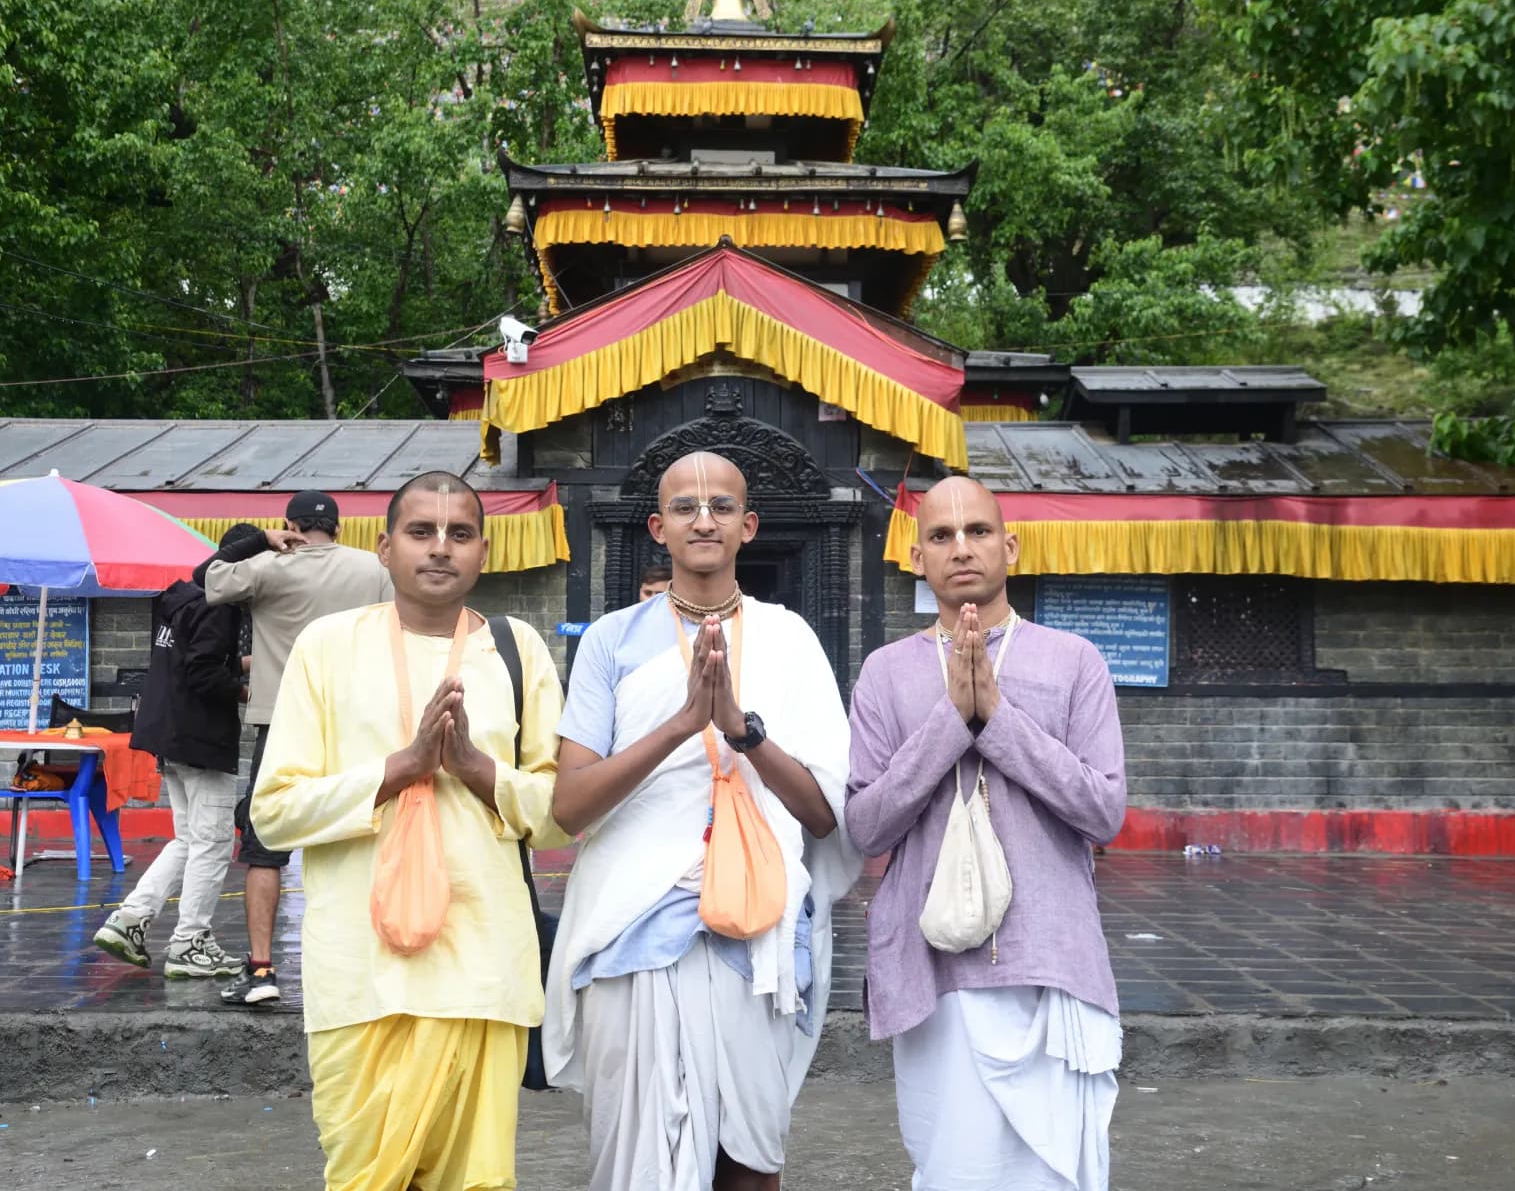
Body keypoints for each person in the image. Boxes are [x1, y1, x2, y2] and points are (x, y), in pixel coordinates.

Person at [544, 451, 861, 1191]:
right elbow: (570, 805)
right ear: (659, 527)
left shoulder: (791, 640)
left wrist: (742, 731)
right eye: (684, 507)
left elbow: (821, 814)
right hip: (631, 922)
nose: (704, 518)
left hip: (756, 929)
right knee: (638, 1161)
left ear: (748, 526)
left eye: (721, 505)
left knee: (750, 1160)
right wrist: (684, 724)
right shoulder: (610, 642)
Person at [248, 471, 568, 1191]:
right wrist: (400, 769)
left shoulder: (518, 653)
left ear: (485, 553)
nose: (440, 549)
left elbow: (555, 817)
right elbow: (273, 810)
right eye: (421, 532)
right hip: (360, 978)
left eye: (459, 535)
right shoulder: (327, 647)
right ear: (384, 548)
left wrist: (476, 769)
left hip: (484, 973)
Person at [845, 475, 1127, 1191]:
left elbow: (1103, 812)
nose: (960, 548)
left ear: (1011, 545)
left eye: (977, 532)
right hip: (934, 971)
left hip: (1050, 963)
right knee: (955, 1169)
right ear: (916, 557)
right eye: (940, 535)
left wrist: (997, 719)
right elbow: (867, 826)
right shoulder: (886, 673)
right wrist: (953, 722)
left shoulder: (1073, 662)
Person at [195, 488, 391, 1006]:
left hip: (282, 721)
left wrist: (260, 541)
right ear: (339, 529)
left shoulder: (268, 568)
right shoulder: (372, 568)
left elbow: (207, 579)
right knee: (360, 838)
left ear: (290, 524)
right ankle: (362, 965)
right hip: (353, 723)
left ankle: (261, 973)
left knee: (264, 848)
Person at [92, 523, 264, 977]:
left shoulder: (182, 595)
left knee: (188, 839)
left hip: (167, 731)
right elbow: (204, 672)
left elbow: (192, 656)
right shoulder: (219, 605)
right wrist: (251, 691)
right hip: (200, 736)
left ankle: (129, 919)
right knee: (213, 842)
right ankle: (190, 943)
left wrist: (243, 663)